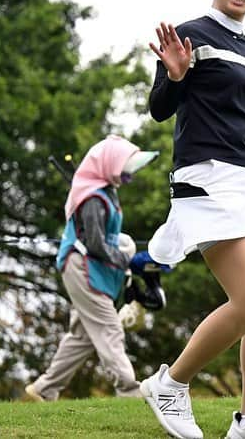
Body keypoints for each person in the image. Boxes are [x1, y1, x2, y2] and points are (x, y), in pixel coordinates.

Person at [139, 0, 245, 439]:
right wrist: (177, 75)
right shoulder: (189, 35)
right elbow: (161, 108)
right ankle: (170, 382)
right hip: (206, 176)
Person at [24, 135, 160, 401]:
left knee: (83, 337)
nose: (130, 174)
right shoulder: (93, 199)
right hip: (81, 267)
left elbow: (103, 239)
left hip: (91, 268)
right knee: (110, 328)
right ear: (110, 165)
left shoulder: (107, 192)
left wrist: (124, 250)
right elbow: (96, 245)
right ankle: (129, 389)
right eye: (126, 167)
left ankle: (43, 389)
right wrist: (128, 260)